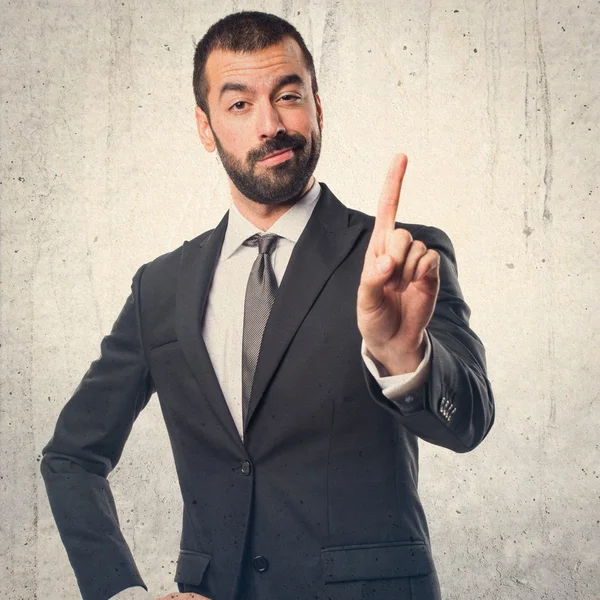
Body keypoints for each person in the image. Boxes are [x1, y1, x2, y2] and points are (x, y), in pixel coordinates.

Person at [40, 11, 495, 600]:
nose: (270, 125)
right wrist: (122, 593)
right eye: (238, 105)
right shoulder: (160, 286)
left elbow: (471, 423)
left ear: (318, 107)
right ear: (205, 128)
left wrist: (402, 355)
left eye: (288, 96)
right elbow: (72, 457)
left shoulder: (401, 258)